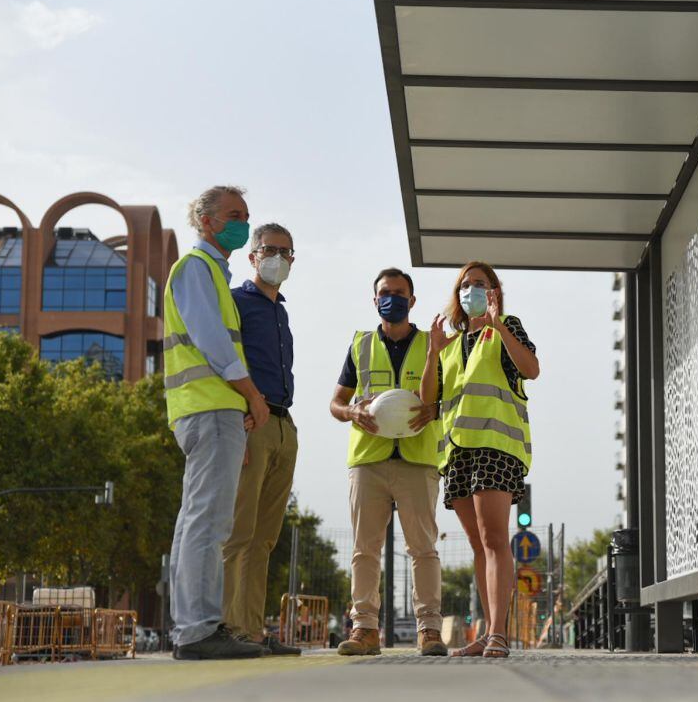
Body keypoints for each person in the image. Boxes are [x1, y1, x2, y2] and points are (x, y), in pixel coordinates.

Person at [163, 185, 270, 660]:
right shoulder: (196, 269)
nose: (242, 223)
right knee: (209, 521)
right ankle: (200, 630)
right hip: (210, 409)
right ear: (206, 221)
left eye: (246, 215)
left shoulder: (210, 274)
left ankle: (194, 627)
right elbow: (214, 342)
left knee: (196, 520)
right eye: (233, 214)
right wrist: (250, 395)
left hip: (207, 412)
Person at [421, 261, 538, 659]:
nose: (470, 290)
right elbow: (428, 399)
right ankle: (488, 634)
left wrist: (499, 325)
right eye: (465, 285)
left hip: (496, 446)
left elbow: (531, 369)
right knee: (476, 544)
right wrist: (433, 352)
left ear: (493, 292)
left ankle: (498, 634)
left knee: (493, 539)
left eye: (480, 284)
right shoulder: (449, 345)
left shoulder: (506, 327)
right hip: (457, 452)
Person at [329, 267, 447, 657]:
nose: (391, 298)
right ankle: (364, 629)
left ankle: (429, 629)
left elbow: (450, 397)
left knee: (423, 548)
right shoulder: (360, 345)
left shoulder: (434, 344)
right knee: (365, 549)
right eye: (385, 292)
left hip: (417, 458)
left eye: (399, 293)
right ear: (374, 299)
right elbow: (336, 403)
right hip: (368, 459)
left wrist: (435, 409)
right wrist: (351, 413)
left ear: (412, 301)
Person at [221, 222, 301, 656]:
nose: (279, 258)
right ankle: (229, 627)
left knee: (265, 538)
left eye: (287, 252)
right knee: (239, 531)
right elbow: (224, 360)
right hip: (252, 423)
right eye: (270, 249)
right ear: (252, 256)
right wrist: (239, 413)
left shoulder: (280, 310)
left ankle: (251, 631)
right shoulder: (236, 302)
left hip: (284, 426)